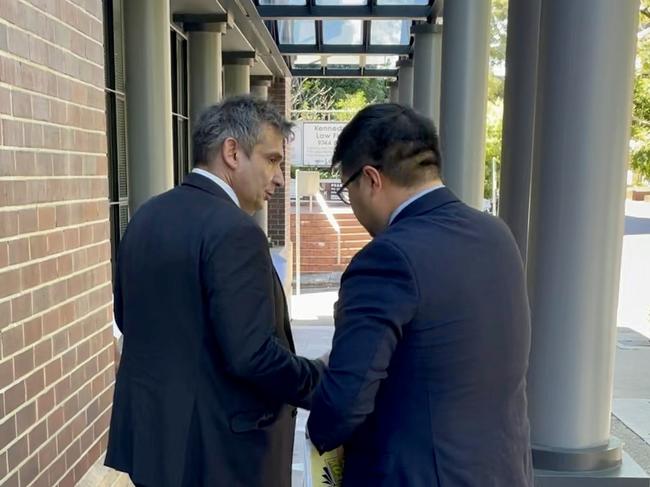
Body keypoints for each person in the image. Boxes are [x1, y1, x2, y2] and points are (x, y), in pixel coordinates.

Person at [307, 104, 533, 486]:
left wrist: (318, 431)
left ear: (371, 179)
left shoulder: (387, 257)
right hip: (501, 472)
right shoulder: (496, 235)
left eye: (348, 191)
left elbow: (345, 401)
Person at [106, 97, 325, 487]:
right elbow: (253, 355)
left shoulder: (145, 217)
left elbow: (128, 319)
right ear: (232, 152)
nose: (279, 178)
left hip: (155, 448)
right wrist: (320, 379)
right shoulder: (236, 231)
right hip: (221, 458)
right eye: (272, 160)